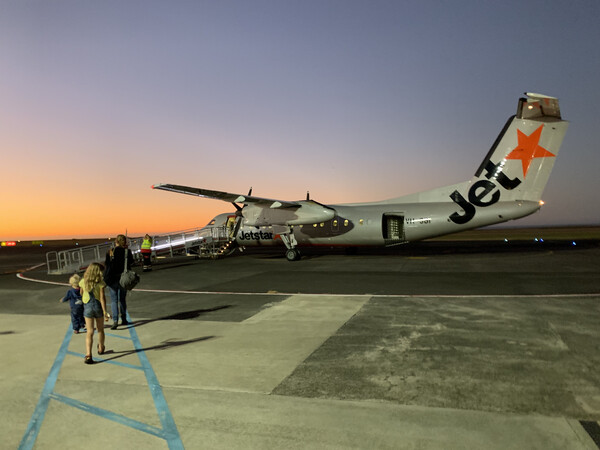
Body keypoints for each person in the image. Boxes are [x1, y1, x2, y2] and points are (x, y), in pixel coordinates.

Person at [79, 263, 109, 364]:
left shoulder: (83, 281)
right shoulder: (100, 283)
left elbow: (81, 293)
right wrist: (105, 311)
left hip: (87, 307)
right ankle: (101, 347)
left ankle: (88, 355)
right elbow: (102, 298)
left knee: (90, 332)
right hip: (97, 307)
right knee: (100, 330)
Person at [104, 234, 134, 330]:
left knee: (114, 300)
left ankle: (115, 321)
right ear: (125, 242)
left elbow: (107, 263)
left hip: (113, 279)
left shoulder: (111, 251)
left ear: (116, 241)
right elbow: (132, 262)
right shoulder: (127, 252)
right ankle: (124, 318)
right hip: (123, 278)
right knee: (122, 299)